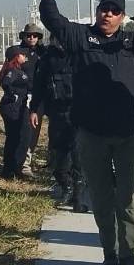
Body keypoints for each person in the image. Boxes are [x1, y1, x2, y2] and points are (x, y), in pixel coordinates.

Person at [32, 0, 134, 265]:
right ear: (97, 12)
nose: (108, 15)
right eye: (104, 9)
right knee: (103, 198)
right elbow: (54, 22)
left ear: (122, 17)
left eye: (114, 11)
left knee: (128, 197)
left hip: (127, 133)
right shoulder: (81, 37)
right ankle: (110, 252)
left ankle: (130, 254)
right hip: (91, 134)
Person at [29, 37, 87, 212]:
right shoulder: (47, 59)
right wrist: (34, 110)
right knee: (58, 152)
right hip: (57, 112)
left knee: (78, 155)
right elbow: (38, 86)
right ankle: (65, 185)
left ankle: (77, 197)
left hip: (79, 112)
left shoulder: (80, 56)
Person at [0, 46, 34, 179]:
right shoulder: (13, 71)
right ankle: (13, 168)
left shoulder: (18, 70)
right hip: (13, 108)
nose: (25, 57)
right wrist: (12, 95)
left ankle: (11, 168)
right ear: (16, 57)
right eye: (22, 55)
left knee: (16, 138)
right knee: (20, 137)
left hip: (17, 107)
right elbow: (7, 83)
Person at [19, 23, 47, 175]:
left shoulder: (44, 53)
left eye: (35, 36)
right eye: (28, 35)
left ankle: (27, 161)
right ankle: (21, 163)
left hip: (40, 98)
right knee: (24, 130)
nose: (31, 38)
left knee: (35, 130)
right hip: (23, 97)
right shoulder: (18, 52)